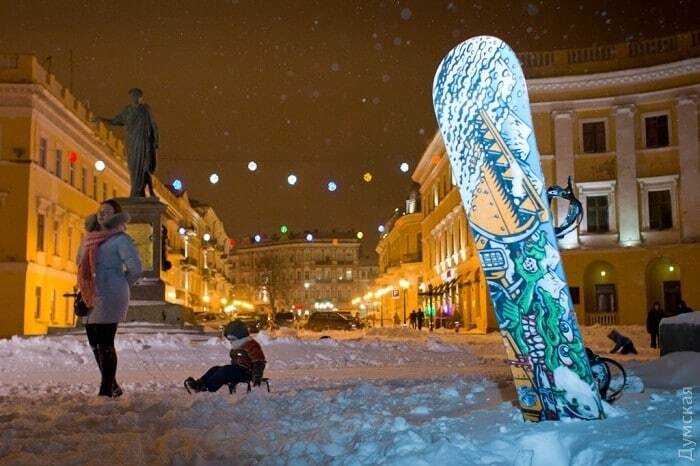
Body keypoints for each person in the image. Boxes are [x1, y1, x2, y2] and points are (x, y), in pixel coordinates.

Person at [78, 199, 142, 397]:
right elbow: (79, 262)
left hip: (111, 293)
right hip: (91, 293)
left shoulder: (121, 239)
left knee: (105, 341)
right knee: (93, 340)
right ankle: (112, 384)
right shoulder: (89, 238)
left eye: (107, 211)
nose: (102, 214)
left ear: (116, 215)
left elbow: (135, 268)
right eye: (100, 211)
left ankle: (106, 390)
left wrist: (119, 283)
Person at [95, 88, 159, 198]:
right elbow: (115, 121)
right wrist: (101, 119)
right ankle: (136, 190)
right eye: (133, 95)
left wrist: (156, 141)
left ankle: (147, 191)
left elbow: (153, 125)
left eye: (137, 95)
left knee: (145, 167)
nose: (135, 98)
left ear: (141, 97)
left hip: (144, 142)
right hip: (131, 144)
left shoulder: (145, 109)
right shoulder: (127, 111)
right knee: (134, 168)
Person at [185, 319, 266, 393]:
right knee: (215, 369)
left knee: (224, 371)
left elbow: (259, 361)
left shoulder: (251, 345)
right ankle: (199, 384)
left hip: (247, 372)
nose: (230, 342)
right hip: (236, 369)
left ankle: (208, 388)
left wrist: (257, 375)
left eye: (232, 339)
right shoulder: (237, 345)